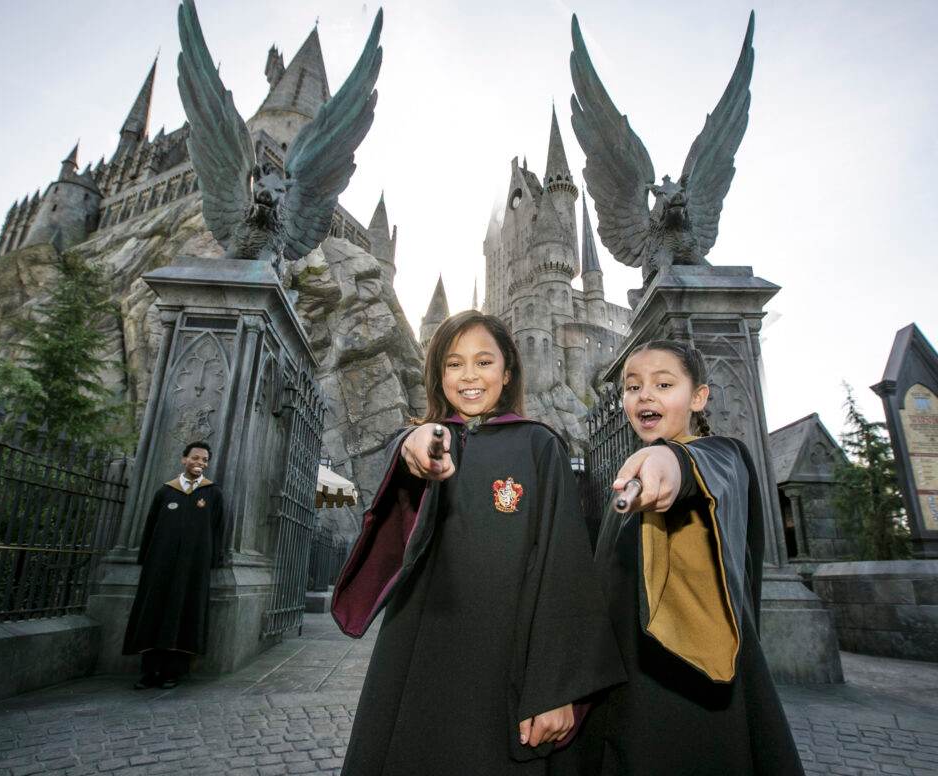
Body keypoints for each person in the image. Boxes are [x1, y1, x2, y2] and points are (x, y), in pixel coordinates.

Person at [331, 310, 625, 776]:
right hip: (419, 656)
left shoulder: (538, 445)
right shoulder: (427, 442)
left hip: (502, 658)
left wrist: (557, 687)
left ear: (507, 371)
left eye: (484, 362)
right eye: (454, 363)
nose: (469, 375)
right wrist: (413, 443)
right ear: (438, 375)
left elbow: (562, 566)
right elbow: (404, 480)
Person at [552, 340, 804, 775]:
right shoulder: (624, 490)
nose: (644, 395)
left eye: (663, 384)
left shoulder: (725, 457)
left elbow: (693, 470)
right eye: (633, 387)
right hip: (622, 691)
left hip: (691, 698)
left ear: (698, 397)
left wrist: (668, 462)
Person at [122, 441, 224, 690]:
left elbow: (218, 530)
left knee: (185, 614)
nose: (200, 463)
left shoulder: (212, 494)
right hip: (160, 566)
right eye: (196, 458)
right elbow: (149, 527)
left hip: (193, 568)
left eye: (204, 460)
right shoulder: (165, 492)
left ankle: (173, 672)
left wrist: (212, 561)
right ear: (184, 459)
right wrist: (146, 559)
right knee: (154, 613)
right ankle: (149, 671)